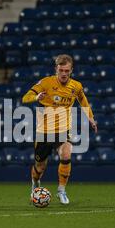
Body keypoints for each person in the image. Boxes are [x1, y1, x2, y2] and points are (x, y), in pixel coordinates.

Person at [22, 54, 97, 205]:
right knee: (40, 167)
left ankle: (61, 190)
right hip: (44, 132)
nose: (64, 73)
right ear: (56, 69)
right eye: (61, 70)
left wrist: (90, 117)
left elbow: (83, 100)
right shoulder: (46, 83)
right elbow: (26, 97)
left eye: (67, 71)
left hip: (63, 131)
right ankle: (35, 184)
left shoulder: (76, 86)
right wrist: (36, 98)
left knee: (66, 153)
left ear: (71, 70)